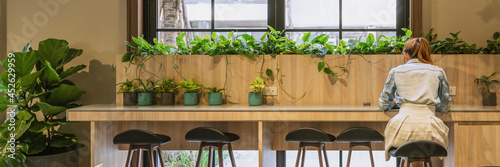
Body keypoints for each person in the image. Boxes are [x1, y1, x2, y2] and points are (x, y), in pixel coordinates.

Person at [379, 38, 451, 161]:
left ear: (405, 55)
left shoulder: (396, 72)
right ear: (427, 54)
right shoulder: (438, 72)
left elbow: (384, 104)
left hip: (402, 131)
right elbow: (445, 106)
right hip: (431, 132)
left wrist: (395, 102)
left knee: (404, 142)